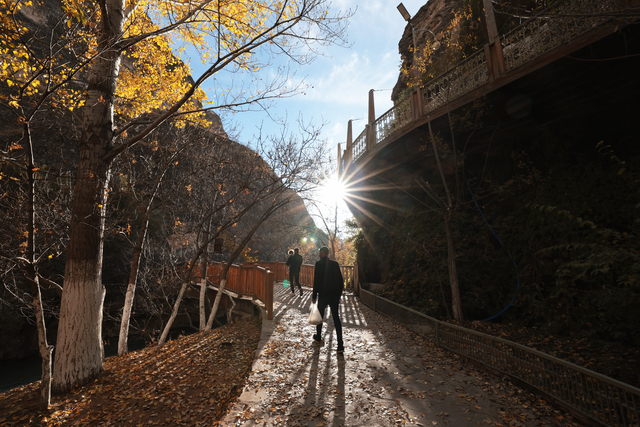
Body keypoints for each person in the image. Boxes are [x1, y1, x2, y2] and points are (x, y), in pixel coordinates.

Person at [312, 246, 344, 353]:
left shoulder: (318, 264)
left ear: (322, 253)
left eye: (319, 252)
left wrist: (314, 296)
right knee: (336, 318)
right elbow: (340, 280)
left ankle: (318, 336)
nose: (319, 254)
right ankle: (340, 344)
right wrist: (339, 293)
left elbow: (316, 281)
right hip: (334, 295)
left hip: (323, 295)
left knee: (320, 316)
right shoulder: (335, 264)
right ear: (328, 253)